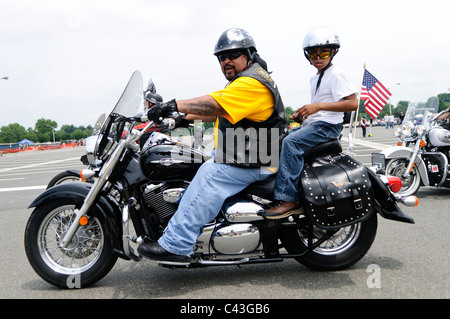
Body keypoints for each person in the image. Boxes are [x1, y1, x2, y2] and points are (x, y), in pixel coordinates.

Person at [137, 28, 287, 262]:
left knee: (209, 173)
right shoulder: (246, 80)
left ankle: (177, 243)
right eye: (221, 57)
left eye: (233, 54)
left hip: (257, 159)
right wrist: (181, 119)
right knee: (193, 160)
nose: (226, 60)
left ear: (248, 54)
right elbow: (223, 111)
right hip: (242, 153)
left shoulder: (251, 82)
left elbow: (215, 105)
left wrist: (173, 105)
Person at [262, 27, 358, 219]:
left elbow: (352, 103)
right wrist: (304, 115)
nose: (318, 58)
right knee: (278, 139)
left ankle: (288, 198)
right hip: (316, 125)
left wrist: (317, 107)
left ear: (333, 52)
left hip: (327, 128)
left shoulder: (337, 74)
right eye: (313, 54)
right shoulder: (314, 77)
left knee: (291, 143)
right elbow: (320, 107)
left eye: (323, 53)